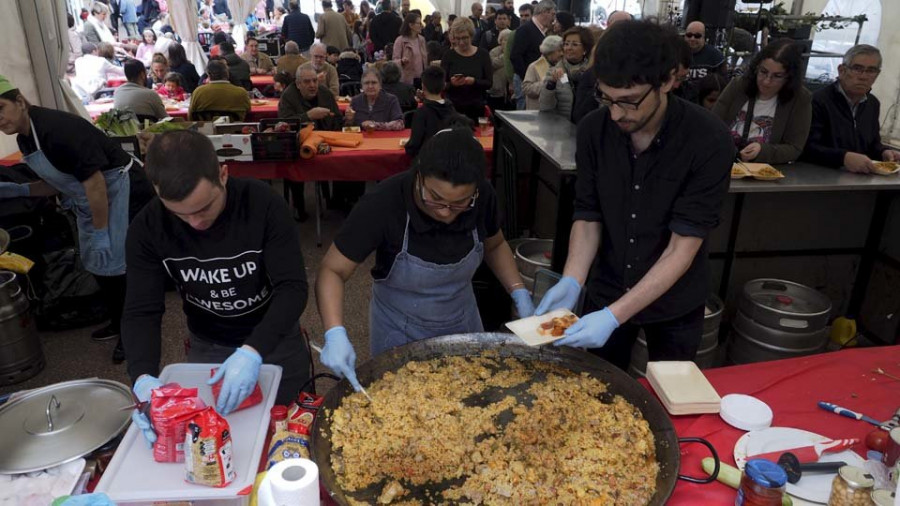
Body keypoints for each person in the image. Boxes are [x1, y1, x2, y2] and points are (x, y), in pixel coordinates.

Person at [534, 21, 734, 371]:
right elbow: (589, 213)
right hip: (607, 284)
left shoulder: (709, 140)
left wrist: (615, 316)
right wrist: (572, 278)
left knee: (671, 394)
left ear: (669, 80)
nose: (616, 114)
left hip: (675, 300)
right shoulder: (595, 129)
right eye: (606, 98)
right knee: (599, 395)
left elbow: (682, 247)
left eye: (628, 102)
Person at [123, 130, 311, 447]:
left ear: (223, 173)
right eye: (179, 213)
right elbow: (141, 309)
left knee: (292, 433)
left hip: (275, 335)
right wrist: (141, 376)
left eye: (204, 208)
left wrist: (253, 351)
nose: (195, 223)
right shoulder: (147, 227)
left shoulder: (262, 204)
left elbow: (292, 287)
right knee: (222, 441)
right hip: (208, 345)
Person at [316, 127, 534, 388]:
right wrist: (334, 332)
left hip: (462, 319)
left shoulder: (483, 196)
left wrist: (518, 291)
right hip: (399, 328)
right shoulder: (383, 204)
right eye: (435, 198)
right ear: (418, 175)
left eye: (460, 203)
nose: (446, 213)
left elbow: (495, 245)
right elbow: (332, 270)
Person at [0, 76, 154, 363]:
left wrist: (100, 231)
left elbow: (95, 182)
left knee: (120, 269)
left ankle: (132, 333)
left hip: (121, 191)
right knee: (99, 266)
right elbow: (59, 182)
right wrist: (18, 190)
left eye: (0, 108)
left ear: (20, 101)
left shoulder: (56, 129)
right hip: (91, 198)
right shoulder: (25, 137)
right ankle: (118, 320)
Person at [802, 44, 900, 172]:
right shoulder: (818, 101)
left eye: (871, 70)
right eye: (857, 68)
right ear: (842, 71)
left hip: (860, 180)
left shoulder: (872, 104)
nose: (863, 76)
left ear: (877, 74)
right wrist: (843, 158)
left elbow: (872, 144)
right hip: (820, 177)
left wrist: (884, 152)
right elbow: (806, 148)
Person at [713, 39, 811, 165]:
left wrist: (763, 151)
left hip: (764, 172)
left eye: (777, 76)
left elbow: (794, 148)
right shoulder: (739, 85)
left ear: (790, 78)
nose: (766, 81)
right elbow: (712, 124)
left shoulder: (800, 99)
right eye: (763, 72)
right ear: (756, 68)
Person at [278, 63, 343, 219]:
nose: (313, 85)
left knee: (347, 160)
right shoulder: (288, 96)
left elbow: (338, 120)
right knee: (294, 161)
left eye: (315, 80)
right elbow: (284, 124)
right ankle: (299, 207)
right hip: (299, 145)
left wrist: (345, 121)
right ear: (298, 84)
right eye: (307, 82)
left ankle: (338, 201)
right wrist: (308, 116)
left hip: (327, 143)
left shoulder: (325, 93)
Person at [441, 17, 492, 123]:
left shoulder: (483, 55)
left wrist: (474, 81)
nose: (461, 42)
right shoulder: (448, 55)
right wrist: (452, 84)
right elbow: (441, 84)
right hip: (453, 109)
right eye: (457, 38)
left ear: (472, 36)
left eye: (465, 38)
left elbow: (489, 83)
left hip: (476, 108)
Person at [539, 26, 593, 118]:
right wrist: (551, 84)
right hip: (562, 126)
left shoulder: (592, 73)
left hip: (586, 124)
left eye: (574, 44)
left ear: (585, 49)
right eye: (566, 44)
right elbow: (545, 106)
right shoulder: (554, 71)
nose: (569, 48)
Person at [406, 65, 460, 157]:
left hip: (427, 163)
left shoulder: (421, 113)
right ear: (444, 85)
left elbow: (413, 147)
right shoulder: (451, 109)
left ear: (423, 86)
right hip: (450, 161)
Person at [510, 1, 552, 110]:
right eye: (552, 14)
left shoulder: (542, 30)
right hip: (525, 80)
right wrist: (527, 77)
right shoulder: (525, 29)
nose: (553, 18)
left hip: (536, 80)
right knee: (523, 114)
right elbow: (515, 56)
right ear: (544, 12)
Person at [523, 35, 561, 110]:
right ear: (550, 52)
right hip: (537, 110)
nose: (561, 54)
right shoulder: (535, 66)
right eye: (559, 51)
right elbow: (527, 88)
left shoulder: (561, 66)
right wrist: (547, 83)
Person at [392, 12, 427, 86]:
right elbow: (394, 61)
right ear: (411, 25)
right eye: (418, 23)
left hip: (421, 78)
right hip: (406, 79)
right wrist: (401, 61)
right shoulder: (400, 40)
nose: (421, 25)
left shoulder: (422, 40)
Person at [487, 28, 511, 112]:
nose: (508, 42)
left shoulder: (515, 52)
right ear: (500, 41)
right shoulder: (493, 52)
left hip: (510, 90)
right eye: (505, 39)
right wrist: (506, 54)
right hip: (497, 90)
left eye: (510, 39)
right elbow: (493, 64)